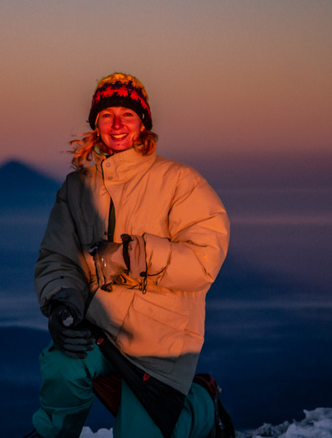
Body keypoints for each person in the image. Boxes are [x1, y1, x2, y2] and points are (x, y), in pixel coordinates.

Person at [27, 73, 230, 438]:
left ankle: (203, 404)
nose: (117, 124)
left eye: (127, 114)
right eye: (107, 115)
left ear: (143, 125)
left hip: (160, 341)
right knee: (62, 366)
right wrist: (63, 304)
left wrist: (130, 256)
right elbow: (57, 258)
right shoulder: (77, 189)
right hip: (100, 326)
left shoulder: (180, 181)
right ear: (96, 124)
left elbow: (204, 260)